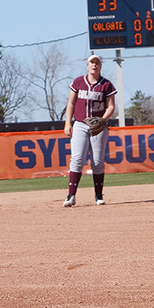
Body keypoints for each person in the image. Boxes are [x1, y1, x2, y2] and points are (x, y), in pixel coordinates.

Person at [63, 54, 117, 207]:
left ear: (100, 66)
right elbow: (71, 104)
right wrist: (68, 123)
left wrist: (102, 120)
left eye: (97, 63)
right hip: (80, 124)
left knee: (98, 161)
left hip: (98, 125)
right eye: (91, 62)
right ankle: (71, 196)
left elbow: (111, 107)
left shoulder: (106, 85)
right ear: (87, 65)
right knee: (77, 159)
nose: (94, 65)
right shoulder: (78, 82)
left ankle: (98, 195)